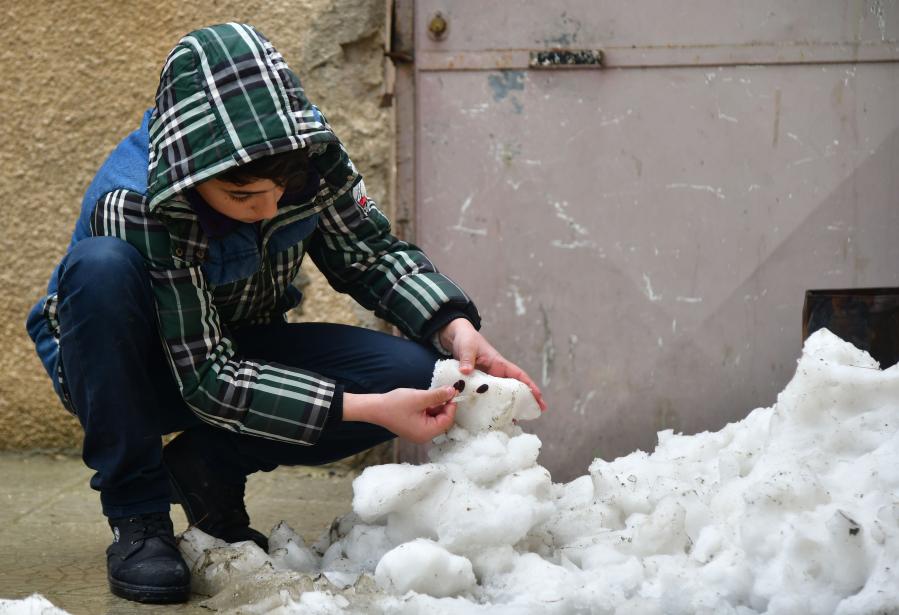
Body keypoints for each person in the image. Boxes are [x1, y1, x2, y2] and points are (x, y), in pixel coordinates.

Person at [25, 23, 545, 604]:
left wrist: (455, 326)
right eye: (243, 198)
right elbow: (205, 379)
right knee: (101, 269)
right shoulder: (140, 202)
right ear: (193, 175)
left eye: (280, 191)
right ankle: (138, 516)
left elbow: (371, 255)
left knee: (412, 373)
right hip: (130, 371)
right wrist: (364, 411)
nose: (269, 208)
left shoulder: (305, 161)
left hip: (236, 341)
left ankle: (208, 464)